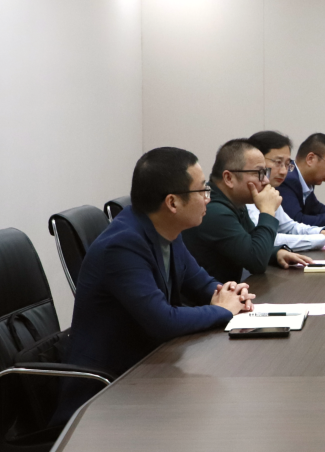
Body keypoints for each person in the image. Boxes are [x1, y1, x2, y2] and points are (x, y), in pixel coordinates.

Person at [54, 147, 254, 425]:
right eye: (202, 190)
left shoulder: (168, 230)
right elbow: (163, 321)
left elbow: (201, 283)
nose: (208, 198)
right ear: (173, 202)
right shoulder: (123, 245)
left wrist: (228, 293)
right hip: (105, 395)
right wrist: (224, 310)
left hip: (147, 373)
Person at [183, 139, 312, 283]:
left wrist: (276, 253)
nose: (266, 181)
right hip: (207, 295)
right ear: (229, 178)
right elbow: (256, 262)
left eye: (265, 172)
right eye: (259, 173)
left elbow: (251, 243)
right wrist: (267, 211)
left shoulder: (234, 202)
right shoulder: (214, 211)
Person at [246, 131, 325, 251]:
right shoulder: (244, 195)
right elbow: (265, 239)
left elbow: (289, 227)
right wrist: (324, 238)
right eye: (278, 162)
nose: (284, 171)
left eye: (287, 164)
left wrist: (323, 232)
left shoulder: (267, 190)